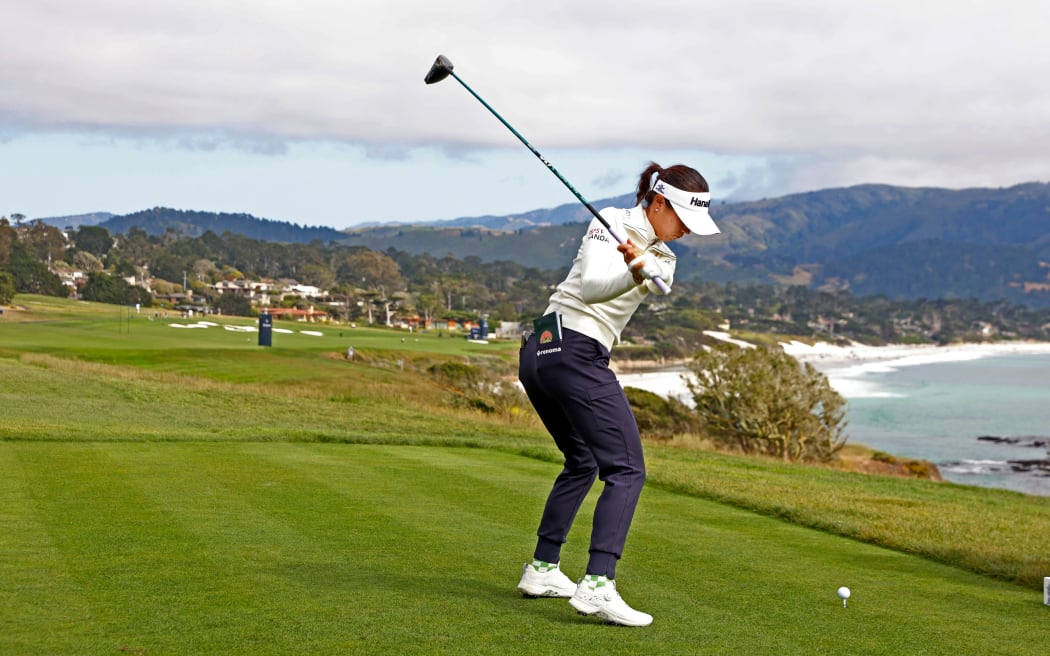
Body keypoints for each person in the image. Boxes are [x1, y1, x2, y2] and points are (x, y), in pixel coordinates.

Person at [516, 162, 719, 626]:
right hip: (566, 351)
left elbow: (661, 282)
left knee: (584, 460)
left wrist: (644, 265)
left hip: (544, 355)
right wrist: (630, 270)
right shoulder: (609, 220)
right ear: (659, 201)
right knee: (627, 469)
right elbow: (590, 289)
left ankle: (543, 569)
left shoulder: (665, 257)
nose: (686, 232)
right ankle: (598, 583)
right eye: (683, 220)